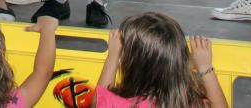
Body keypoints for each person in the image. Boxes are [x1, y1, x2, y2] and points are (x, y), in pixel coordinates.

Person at [97, 12, 228, 108]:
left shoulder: (119, 104)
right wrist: (205, 68)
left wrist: (113, 56)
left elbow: (98, 101)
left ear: (134, 66)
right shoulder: (189, 104)